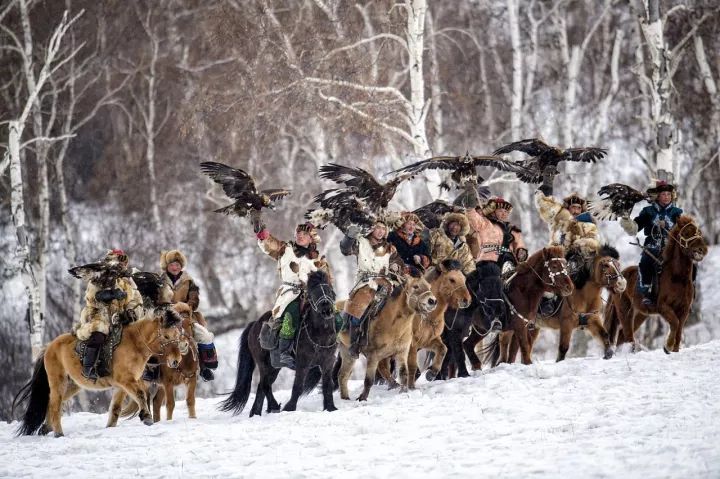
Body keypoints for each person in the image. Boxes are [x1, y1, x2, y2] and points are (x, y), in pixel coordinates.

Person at [256, 222, 331, 369]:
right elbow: (270, 245)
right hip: (290, 293)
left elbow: (327, 280)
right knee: (292, 313)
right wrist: (262, 234)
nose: (300, 237)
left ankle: (333, 347)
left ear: (311, 239)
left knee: (334, 314)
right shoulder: (285, 249)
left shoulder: (318, 259)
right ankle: (284, 352)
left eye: (304, 235)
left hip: (314, 295)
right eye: (298, 234)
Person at [75, 249, 143, 380]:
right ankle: (88, 368)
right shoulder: (100, 276)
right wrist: (109, 295)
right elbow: (91, 298)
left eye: (125, 263)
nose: (123, 265)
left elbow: (136, 300)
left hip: (119, 317)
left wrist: (130, 312)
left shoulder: (128, 281)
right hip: (98, 313)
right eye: (120, 261)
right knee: (100, 332)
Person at [340, 221, 404, 358]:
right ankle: (354, 342)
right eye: (377, 228)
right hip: (366, 282)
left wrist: (396, 267)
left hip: (386, 282)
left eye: (383, 228)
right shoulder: (360, 242)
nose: (380, 231)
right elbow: (345, 250)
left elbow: (398, 263)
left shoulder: (390, 248)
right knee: (360, 305)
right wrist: (350, 236)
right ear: (371, 229)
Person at [535, 188, 601, 315]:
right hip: (558, 255)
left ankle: (589, 303)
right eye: (573, 208)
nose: (575, 211)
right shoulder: (559, 221)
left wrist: (582, 242)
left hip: (579, 256)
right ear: (568, 208)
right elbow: (548, 211)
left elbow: (594, 241)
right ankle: (545, 303)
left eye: (578, 208)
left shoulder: (588, 224)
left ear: (582, 209)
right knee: (543, 271)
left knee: (573, 269)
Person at [466, 197, 528, 330]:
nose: (504, 214)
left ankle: (531, 314)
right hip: (488, 262)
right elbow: (472, 217)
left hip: (509, 264)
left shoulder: (513, 230)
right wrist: (471, 200)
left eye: (506, 212)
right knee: (493, 275)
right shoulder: (485, 224)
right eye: (501, 211)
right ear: (493, 211)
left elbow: (520, 245)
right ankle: (494, 317)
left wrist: (521, 251)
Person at [157, 250, 218, 381]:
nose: (175, 267)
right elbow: (159, 300)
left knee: (206, 336)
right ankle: (153, 370)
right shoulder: (160, 282)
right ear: (167, 266)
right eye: (172, 264)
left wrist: (185, 306)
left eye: (178, 264)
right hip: (166, 319)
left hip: (186, 316)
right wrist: (170, 308)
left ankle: (204, 368)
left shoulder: (189, 281)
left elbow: (194, 301)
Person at [620, 180, 683, 306]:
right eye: (663, 194)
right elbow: (635, 228)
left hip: (672, 248)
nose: (666, 197)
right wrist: (626, 220)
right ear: (658, 196)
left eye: (669, 194)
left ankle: (687, 292)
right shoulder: (648, 211)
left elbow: (682, 230)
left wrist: (670, 226)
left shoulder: (677, 212)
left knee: (689, 265)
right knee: (645, 263)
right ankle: (647, 291)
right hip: (652, 246)